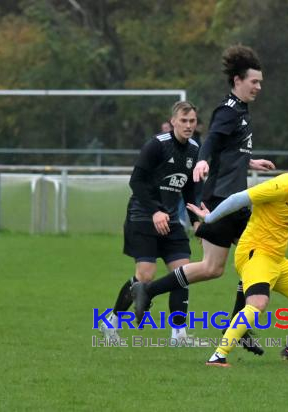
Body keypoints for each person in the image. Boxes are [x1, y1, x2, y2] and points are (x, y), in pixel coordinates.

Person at [131, 45, 275, 355]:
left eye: (260, 82)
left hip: (235, 198)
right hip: (224, 200)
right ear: (237, 80)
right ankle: (151, 291)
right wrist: (203, 160)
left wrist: (250, 161)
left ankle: (237, 324)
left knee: (244, 262)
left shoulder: (241, 109)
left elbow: (228, 147)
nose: (259, 87)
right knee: (226, 265)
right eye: (254, 82)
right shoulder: (228, 110)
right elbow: (210, 140)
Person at [186, 145, 288, 367]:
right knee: (258, 303)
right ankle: (217, 357)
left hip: (276, 260)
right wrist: (208, 219)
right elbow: (239, 198)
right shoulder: (282, 185)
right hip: (254, 254)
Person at [99, 101, 201, 343]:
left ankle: (179, 335)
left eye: (192, 121)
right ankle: (110, 322)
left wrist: (196, 221)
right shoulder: (157, 145)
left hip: (172, 221)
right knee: (145, 276)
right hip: (143, 216)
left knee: (182, 273)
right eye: (183, 121)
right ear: (173, 121)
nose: (188, 125)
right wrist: (155, 211)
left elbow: (188, 189)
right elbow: (136, 181)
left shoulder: (196, 149)